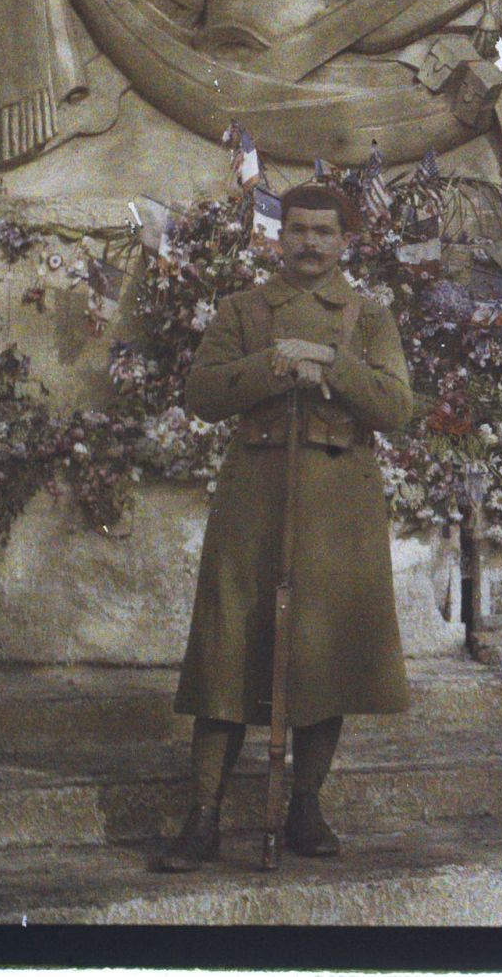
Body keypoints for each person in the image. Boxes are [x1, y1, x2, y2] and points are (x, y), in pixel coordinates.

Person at [153, 184, 416, 872]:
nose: (310, 243)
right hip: (254, 504)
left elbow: (395, 405)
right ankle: (203, 816)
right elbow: (203, 394)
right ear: (278, 237)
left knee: (322, 657)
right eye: (298, 230)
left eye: (324, 232)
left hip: (339, 511)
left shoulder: (370, 317)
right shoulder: (243, 311)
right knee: (229, 649)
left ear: (344, 240)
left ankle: (306, 805)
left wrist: (331, 361)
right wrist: (273, 362)